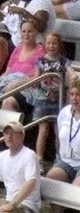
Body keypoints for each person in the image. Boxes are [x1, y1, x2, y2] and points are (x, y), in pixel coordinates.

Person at [9, 32, 77, 160]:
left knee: (59, 131)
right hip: (43, 99)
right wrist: (33, 82)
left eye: (54, 43)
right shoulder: (40, 61)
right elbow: (36, 77)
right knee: (43, 129)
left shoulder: (63, 60)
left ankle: (59, 157)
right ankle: (39, 158)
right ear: (45, 44)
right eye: (49, 43)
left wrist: (73, 77)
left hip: (58, 100)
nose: (51, 46)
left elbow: (71, 72)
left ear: (59, 45)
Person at [0, 19, 44, 105]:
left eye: (29, 31)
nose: (26, 34)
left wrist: (18, 83)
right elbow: (8, 72)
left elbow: (37, 79)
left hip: (26, 87)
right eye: (23, 31)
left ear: (36, 33)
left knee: (8, 102)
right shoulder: (18, 48)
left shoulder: (41, 51)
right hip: (9, 83)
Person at [48, 77, 80, 213]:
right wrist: (58, 158)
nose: (75, 98)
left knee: (77, 186)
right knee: (52, 176)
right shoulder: (65, 113)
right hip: (67, 159)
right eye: (72, 94)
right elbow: (58, 136)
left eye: (79, 95)